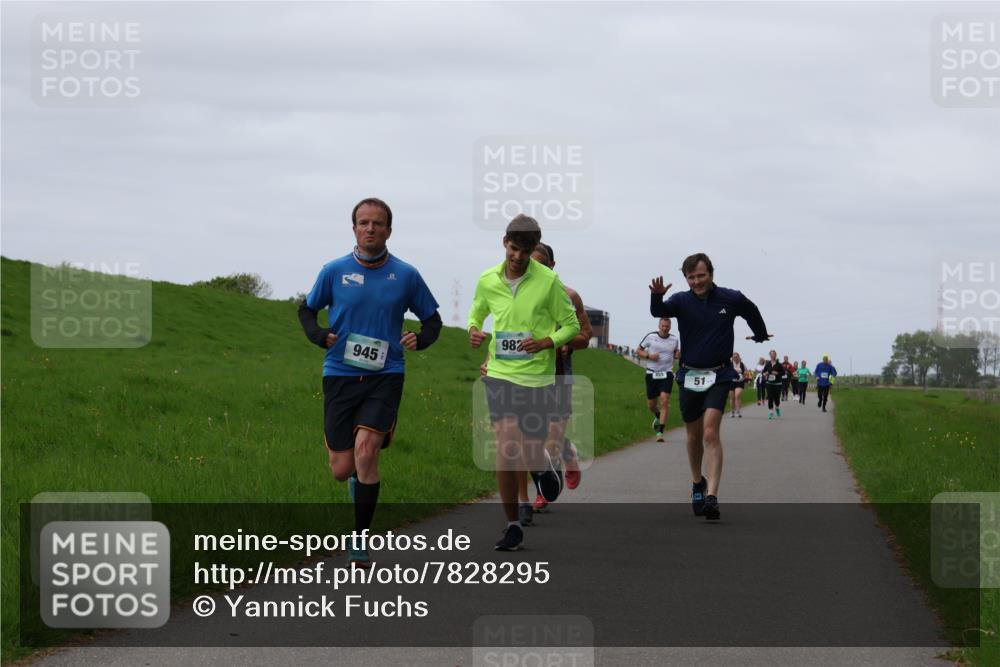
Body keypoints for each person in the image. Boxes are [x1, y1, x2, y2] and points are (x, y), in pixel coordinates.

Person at [298, 197, 442, 567]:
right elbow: (307, 309)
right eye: (363, 222)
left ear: (389, 230)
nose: (370, 229)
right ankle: (356, 483)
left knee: (367, 451)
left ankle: (359, 541)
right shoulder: (334, 270)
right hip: (340, 374)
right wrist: (318, 335)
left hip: (386, 374)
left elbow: (432, 321)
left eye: (377, 223)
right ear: (354, 229)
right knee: (341, 468)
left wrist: (419, 339)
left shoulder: (406, 275)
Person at [469, 215, 580, 550]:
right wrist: (474, 329)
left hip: (537, 377)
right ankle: (512, 523)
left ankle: (544, 468)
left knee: (530, 447)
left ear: (534, 250)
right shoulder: (488, 279)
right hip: (501, 375)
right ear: (505, 242)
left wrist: (547, 342)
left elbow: (571, 326)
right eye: (514, 249)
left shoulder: (548, 281)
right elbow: (477, 312)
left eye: (525, 251)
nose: (518, 257)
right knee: (506, 446)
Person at [649, 253, 771, 521]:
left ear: (711, 274)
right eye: (691, 277)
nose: (696, 282)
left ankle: (713, 496)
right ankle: (697, 484)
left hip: (719, 374)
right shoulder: (681, 301)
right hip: (690, 375)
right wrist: (657, 296)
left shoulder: (730, 298)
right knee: (693, 437)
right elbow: (659, 312)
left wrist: (760, 335)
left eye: (701, 276)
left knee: (710, 432)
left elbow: (752, 312)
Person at [521, 242, 592, 519]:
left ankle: (542, 490)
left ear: (552, 266)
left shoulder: (570, 296)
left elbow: (585, 336)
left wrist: (561, 341)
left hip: (559, 375)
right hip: (526, 375)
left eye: (540, 264)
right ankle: (568, 451)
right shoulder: (516, 295)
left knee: (549, 441)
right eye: (530, 264)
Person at [637, 318, 681, 442]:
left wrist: (678, 355)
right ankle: (658, 415)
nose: (664, 328)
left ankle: (660, 432)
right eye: (662, 326)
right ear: (659, 325)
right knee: (652, 405)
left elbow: (676, 353)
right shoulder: (650, 336)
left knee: (664, 400)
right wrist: (648, 356)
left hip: (666, 373)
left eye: (667, 326)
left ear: (670, 326)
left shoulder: (674, 339)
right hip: (651, 373)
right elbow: (638, 350)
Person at [762, 350, 786, 419]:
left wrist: (777, 373)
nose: (773, 355)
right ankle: (771, 412)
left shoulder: (779, 364)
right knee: (770, 397)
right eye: (771, 354)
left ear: (776, 355)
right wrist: (765, 374)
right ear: (770, 355)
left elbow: (783, 373)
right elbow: (763, 372)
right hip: (769, 383)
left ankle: (777, 407)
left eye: (774, 354)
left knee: (777, 398)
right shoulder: (768, 364)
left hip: (777, 383)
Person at [728, 352, 748, 418]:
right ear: (732, 358)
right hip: (731, 382)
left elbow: (746, 372)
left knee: (737, 396)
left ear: (739, 358)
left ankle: (738, 412)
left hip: (740, 382)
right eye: (734, 357)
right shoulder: (730, 364)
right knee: (732, 398)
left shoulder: (742, 364)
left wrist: (745, 374)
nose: (735, 358)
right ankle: (732, 412)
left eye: (737, 357)